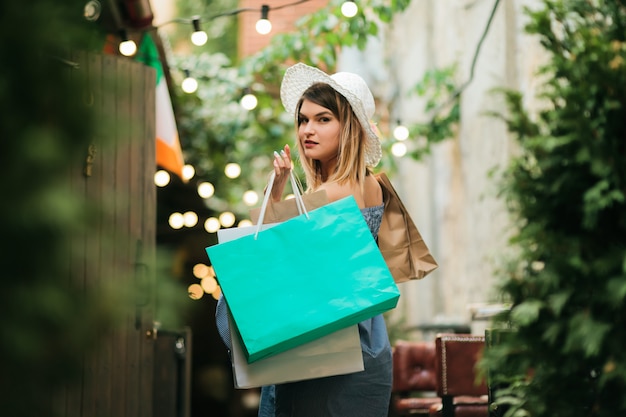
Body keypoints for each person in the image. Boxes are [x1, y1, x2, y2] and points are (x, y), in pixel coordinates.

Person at [216, 62, 391, 417]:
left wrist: (274, 192)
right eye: (303, 119)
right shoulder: (359, 181)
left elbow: (267, 247)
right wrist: (279, 191)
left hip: (333, 350)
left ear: (351, 128)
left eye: (323, 119)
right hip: (340, 341)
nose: (308, 130)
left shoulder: (342, 187)